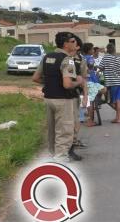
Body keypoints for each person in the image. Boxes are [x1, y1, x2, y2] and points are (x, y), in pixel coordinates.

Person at [32, 32, 84, 163]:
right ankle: (60, 159)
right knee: (65, 130)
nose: (75, 44)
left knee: (52, 129)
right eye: (73, 41)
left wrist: (52, 83)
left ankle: (53, 154)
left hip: (49, 98)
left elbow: (36, 78)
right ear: (66, 44)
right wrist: (79, 81)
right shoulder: (68, 60)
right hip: (63, 99)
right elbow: (67, 84)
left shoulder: (47, 56)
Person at [97, 43, 120, 124]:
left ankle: (119, 117)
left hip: (110, 83)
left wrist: (98, 74)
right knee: (118, 100)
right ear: (114, 50)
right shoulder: (119, 58)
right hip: (119, 82)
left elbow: (100, 68)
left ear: (107, 50)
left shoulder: (105, 58)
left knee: (110, 101)